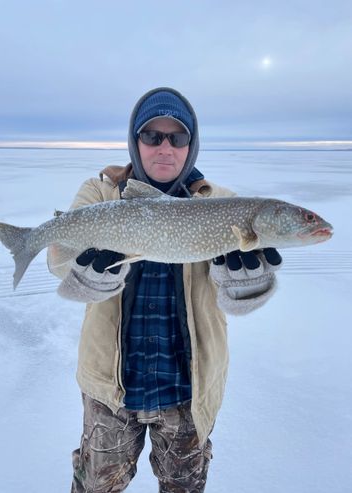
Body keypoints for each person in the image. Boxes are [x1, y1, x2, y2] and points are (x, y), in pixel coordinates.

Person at [48, 87, 282, 493]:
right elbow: (58, 260)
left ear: (191, 145)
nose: (164, 148)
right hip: (111, 387)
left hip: (187, 390)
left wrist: (248, 287)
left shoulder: (222, 204)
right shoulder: (101, 193)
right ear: (134, 142)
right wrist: (86, 275)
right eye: (152, 136)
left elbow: (234, 302)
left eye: (177, 137)